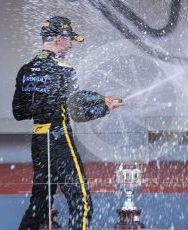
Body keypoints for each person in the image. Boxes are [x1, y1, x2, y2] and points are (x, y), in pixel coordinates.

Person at [12, 16, 123, 230]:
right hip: (60, 139)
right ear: (57, 39)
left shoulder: (26, 70)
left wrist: (97, 99)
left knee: (40, 206)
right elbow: (77, 111)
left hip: (39, 141)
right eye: (69, 39)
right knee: (81, 204)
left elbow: (19, 112)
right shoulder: (64, 70)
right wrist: (104, 106)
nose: (71, 44)